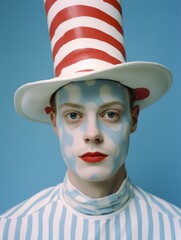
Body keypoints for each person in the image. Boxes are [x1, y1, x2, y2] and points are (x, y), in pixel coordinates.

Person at [0, 0, 180, 239]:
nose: (92, 133)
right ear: (55, 122)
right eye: (73, 115)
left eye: (110, 114)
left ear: (133, 118)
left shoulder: (174, 229)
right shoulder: (12, 230)